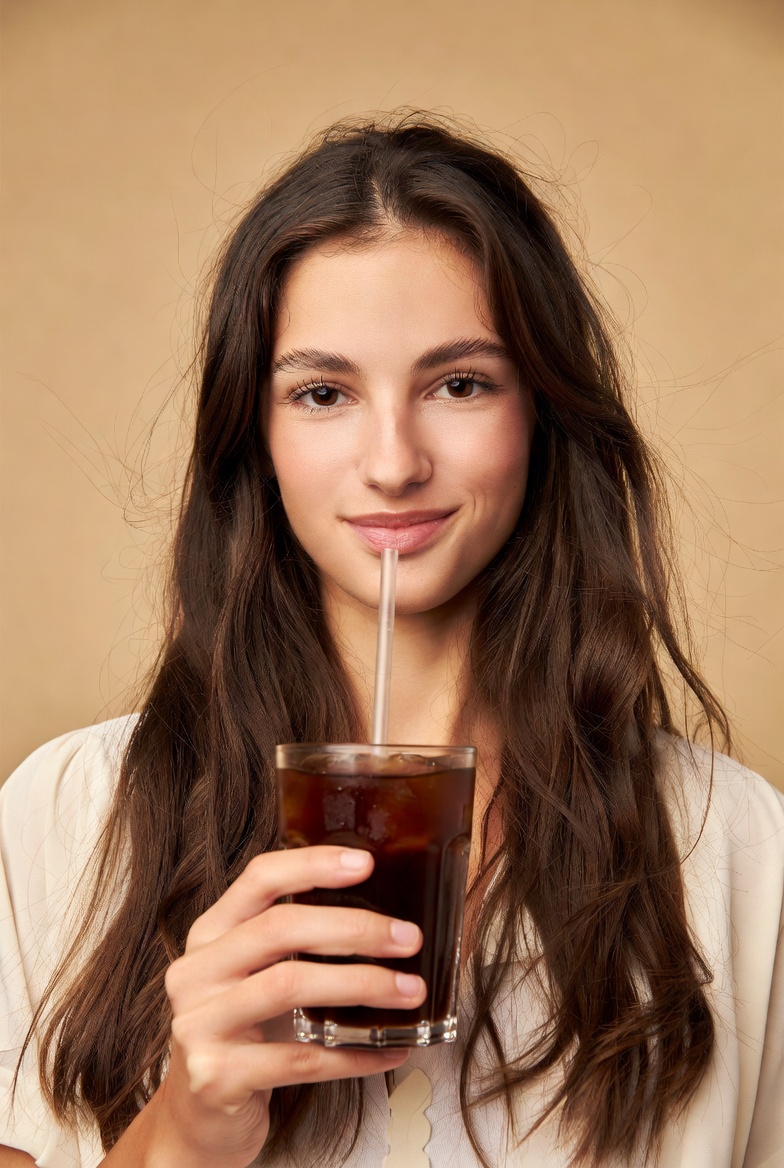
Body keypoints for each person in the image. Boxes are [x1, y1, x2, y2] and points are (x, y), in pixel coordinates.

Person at [1, 111, 782, 1168]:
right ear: (256, 436)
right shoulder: (65, 819)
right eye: (322, 393)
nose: (392, 462)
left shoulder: (734, 847)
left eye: (459, 384)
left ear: (541, 414)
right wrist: (185, 1126)